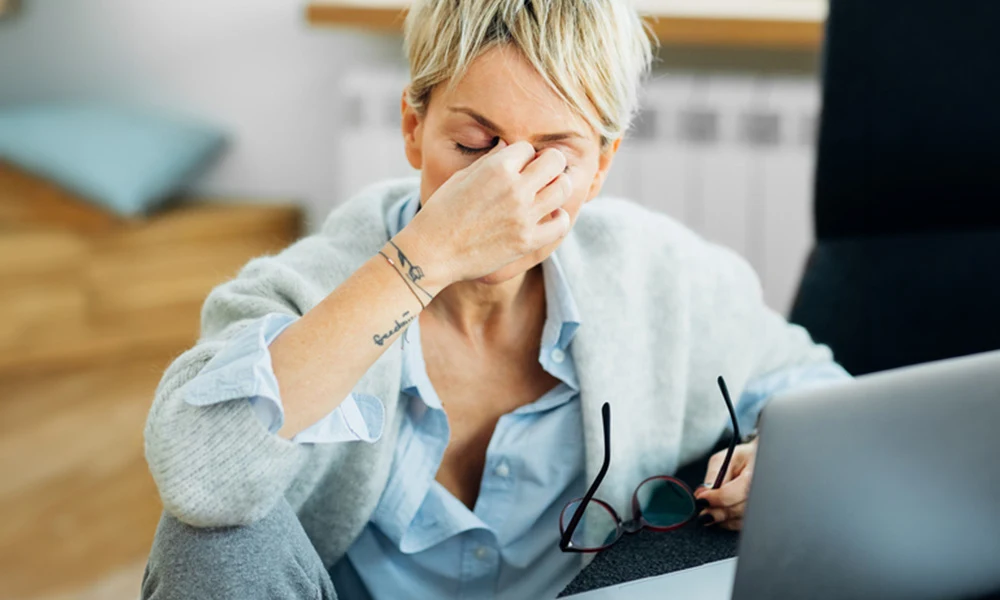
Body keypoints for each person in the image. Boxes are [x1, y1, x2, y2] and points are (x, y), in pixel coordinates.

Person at [140, 0, 850, 598]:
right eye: (477, 144)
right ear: (414, 130)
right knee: (207, 541)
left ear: (601, 165)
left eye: (553, 155)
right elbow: (203, 482)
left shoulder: (664, 277)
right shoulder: (310, 285)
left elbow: (816, 391)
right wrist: (429, 256)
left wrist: (773, 459)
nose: (505, 192)